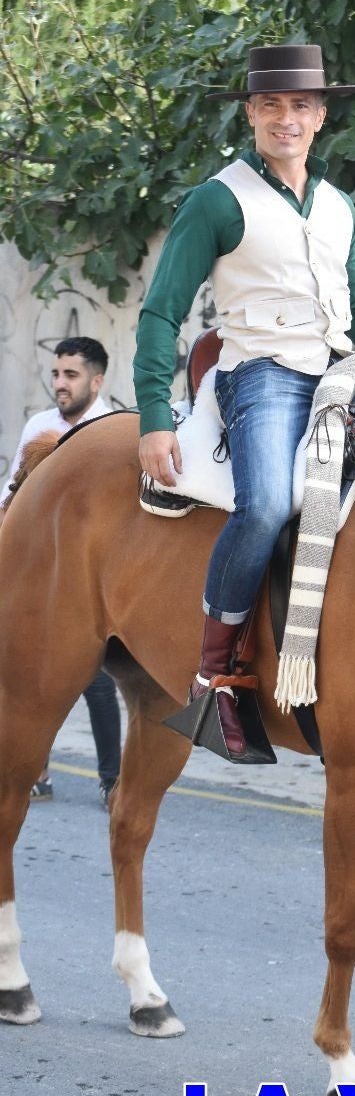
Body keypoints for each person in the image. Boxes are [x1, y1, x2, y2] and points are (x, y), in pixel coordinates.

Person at [134, 43, 355, 762]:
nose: (285, 118)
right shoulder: (219, 199)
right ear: (252, 115)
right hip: (261, 375)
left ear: (321, 117)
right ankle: (216, 672)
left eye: (300, 106)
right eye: (270, 105)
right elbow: (160, 312)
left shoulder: (338, 206)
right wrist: (152, 417)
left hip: (341, 374)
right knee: (264, 505)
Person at [1, 337, 122, 807]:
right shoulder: (40, 425)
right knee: (27, 675)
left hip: (87, 582)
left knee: (96, 683)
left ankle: (112, 780)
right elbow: (14, 493)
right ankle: (36, 772)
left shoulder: (111, 431)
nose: (60, 384)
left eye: (71, 375)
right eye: (56, 374)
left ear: (96, 380)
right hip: (35, 573)